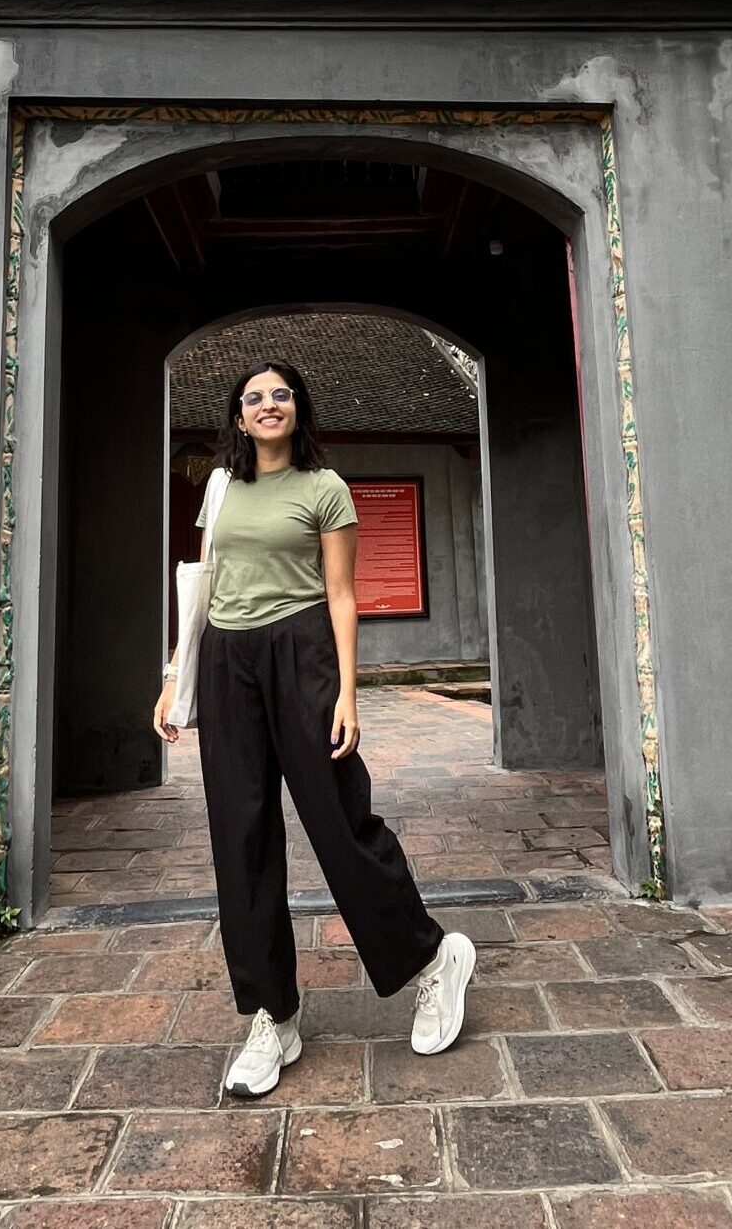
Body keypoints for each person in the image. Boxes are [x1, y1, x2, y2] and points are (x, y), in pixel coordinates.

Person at [153, 358, 476, 1098]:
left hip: (301, 656)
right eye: (253, 398)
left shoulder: (325, 489)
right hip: (229, 662)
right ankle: (273, 1013)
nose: (268, 405)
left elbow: (341, 595)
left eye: (281, 394)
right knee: (242, 836)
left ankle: (432, 962)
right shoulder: (222, 486)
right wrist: (177, 676)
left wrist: (348, 695)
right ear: (238, 417)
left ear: (299, 409)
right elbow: (203, 581)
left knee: (338, 823)